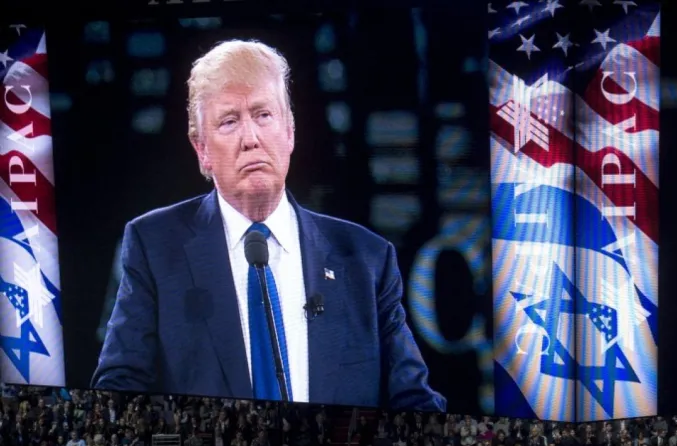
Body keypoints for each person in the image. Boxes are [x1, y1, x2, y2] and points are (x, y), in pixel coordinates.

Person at [92, 39, 445, 411]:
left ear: (290, 132)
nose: (251, 138)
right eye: (229, 121)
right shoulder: (154, 247)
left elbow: (413, 400)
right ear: (202, 150)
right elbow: (119, 390)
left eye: (263, 115)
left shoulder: (367, 259)